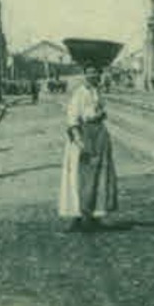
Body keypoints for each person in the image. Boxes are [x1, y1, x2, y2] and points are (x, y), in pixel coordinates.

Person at [60, 64, 118, 231]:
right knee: (80, 177)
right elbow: (72, 119)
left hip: (98, 136)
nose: (93, 76)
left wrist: (100, 115)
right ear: (84, 75)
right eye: (90, 73)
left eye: (96, 73)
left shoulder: (96, 91)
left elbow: (98, 110)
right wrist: (79, 142)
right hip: (84, 136)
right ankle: (79, 215)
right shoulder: (79, 93)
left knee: (99, 175)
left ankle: (94, 213)